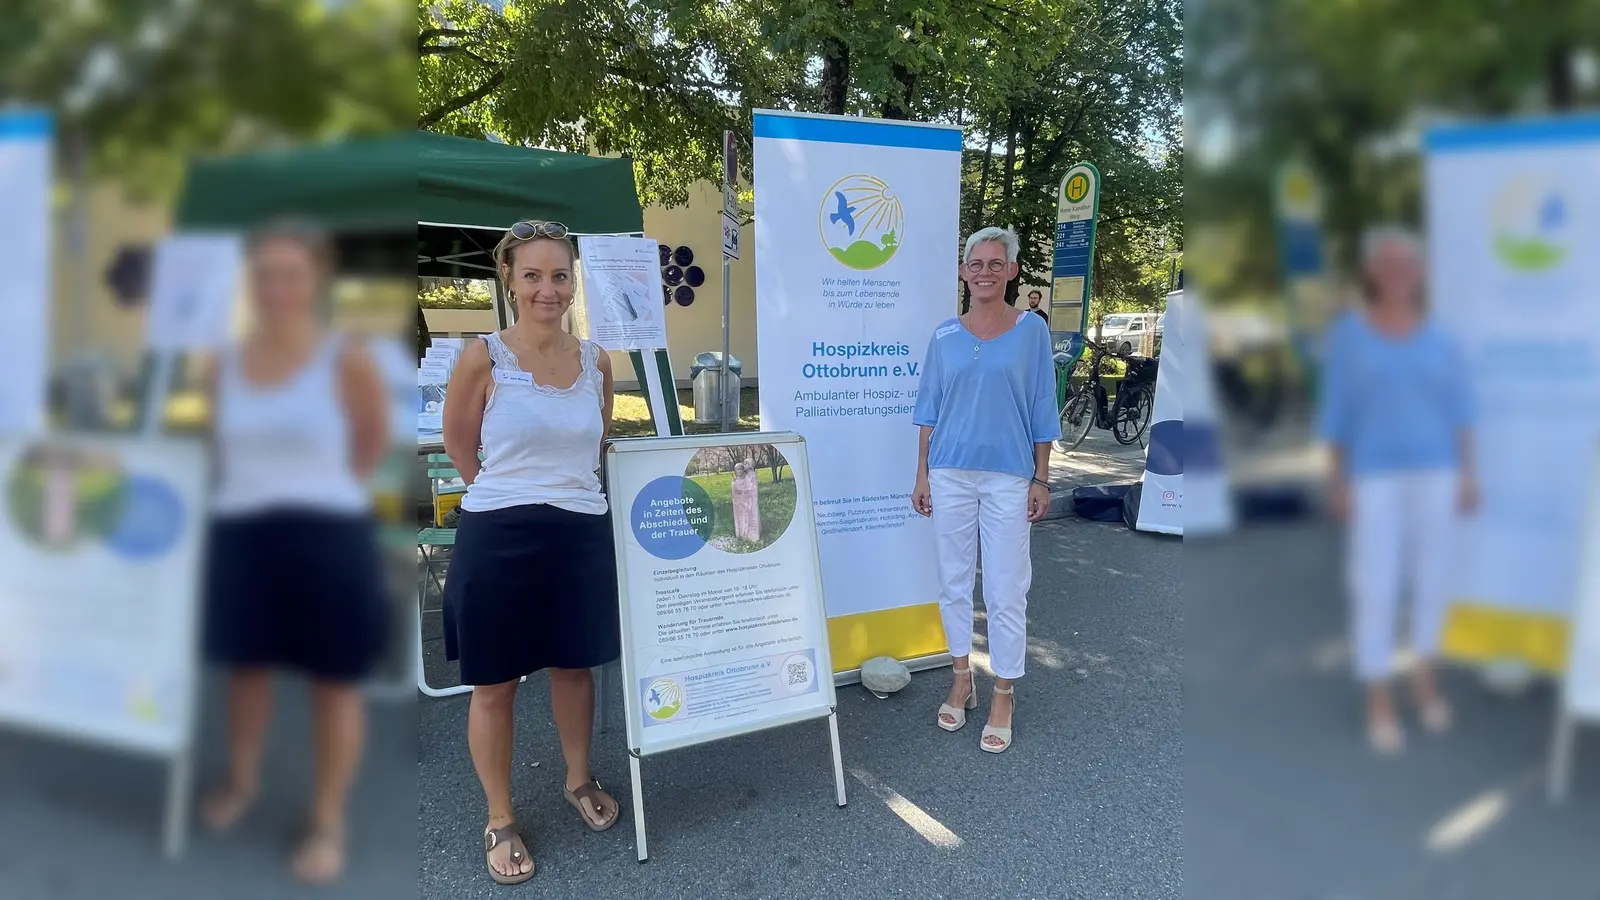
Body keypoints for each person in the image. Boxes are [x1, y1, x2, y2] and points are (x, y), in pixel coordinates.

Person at [198, 221, 392, 884]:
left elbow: (369, 441)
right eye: (265, 276)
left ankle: (329, 818)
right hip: (243, 533)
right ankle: (243, 779)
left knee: (334, 685)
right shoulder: (223, 363)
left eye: (290, 275)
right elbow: (218, 446)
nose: (276, 289)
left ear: (316, 281)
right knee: (246, 672)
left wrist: (322, 495)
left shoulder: (346, 358)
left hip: (328, 536)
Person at [440, 219, 620, 885]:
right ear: (511, 282)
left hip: (577, 533)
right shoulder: (483, 357)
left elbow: (594, 441)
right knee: (495, 684)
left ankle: (578, 780)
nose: (549, 288)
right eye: (534, 275)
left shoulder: (598, 361)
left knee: (574, 670)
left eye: (560, 275)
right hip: (499, 537)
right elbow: (461, 447)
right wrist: (507, 497)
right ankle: (499, 816)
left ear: (574, 282)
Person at [1317, 226, 1476, 755]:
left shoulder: (1442, 338)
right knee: (1376, 586)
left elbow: (1461, 411)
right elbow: (1337, 412)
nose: (1397, 275)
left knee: (1431, 583)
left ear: (1421, 274)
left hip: (1437, 474)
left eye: (1407, 265)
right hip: (1375, 478)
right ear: (1372, 274)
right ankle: (1379, 697)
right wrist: (1336, 478)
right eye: (1387, 266)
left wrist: (1469, 474)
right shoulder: (1350, 336)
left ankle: (1424, 682)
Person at [911, 226, 1061, 754]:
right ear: (963, 272)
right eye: (976, 263)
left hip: (1008, 476)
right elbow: (928, 409)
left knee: (1004, 586)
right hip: (949, 471)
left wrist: (1042, 477)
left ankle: (1003, 688)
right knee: (953, 582)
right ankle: (960, 677)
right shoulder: (945, 336)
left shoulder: (1031, 331)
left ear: (1013, 272)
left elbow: (1043, 405)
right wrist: (922, 472)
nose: (985, 272)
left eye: (997, 264)